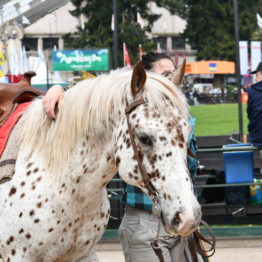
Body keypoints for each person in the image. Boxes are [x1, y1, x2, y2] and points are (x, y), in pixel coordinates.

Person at [42, 52, 200, 261]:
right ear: (145, 78)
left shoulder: (178, 119)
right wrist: (59, 89)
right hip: (145, 220)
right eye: (165, 74)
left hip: (176, 213)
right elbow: (95, 98)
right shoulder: (130, 114)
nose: (171, 81)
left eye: (173, 74)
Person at [247, 61, 262, 173]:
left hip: (259, 136)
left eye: (256, 75)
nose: (256, 78)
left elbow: (250, 113)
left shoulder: (253, 91)